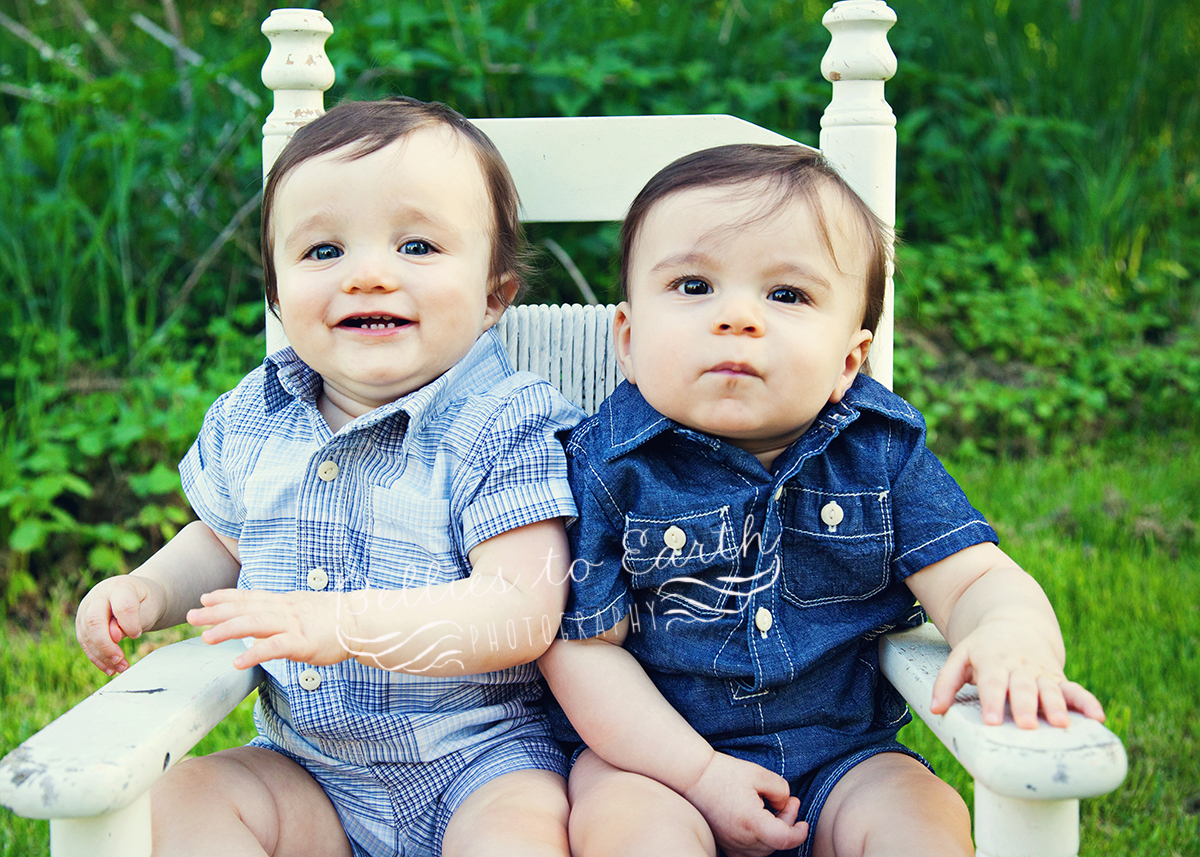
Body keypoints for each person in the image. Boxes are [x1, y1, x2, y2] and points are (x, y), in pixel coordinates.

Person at [538, 143, 1107, 857]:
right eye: (692, 286)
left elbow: (978, 578)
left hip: (844, 756)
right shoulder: (603, 466)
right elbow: (581, 654)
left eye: (787, 295)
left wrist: (1011, 637)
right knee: (630, 830)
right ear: (627, 338)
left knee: (919, 819)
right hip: (654, 762)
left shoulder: (879, 454)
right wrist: (701, 772)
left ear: (848, 361)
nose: (737, 317)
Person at [76, 97, 582, 857]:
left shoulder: (503, 424)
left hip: (482, 763)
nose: (369, 275)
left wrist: (340, 625)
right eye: (322, 252)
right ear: (279, 296)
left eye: (416, 245)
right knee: (186, 798)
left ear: (492, 296)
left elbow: (521, 609)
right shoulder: (256, 415)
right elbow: (220, 542)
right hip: (308, 769)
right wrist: (150, 589)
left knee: (518, 834)